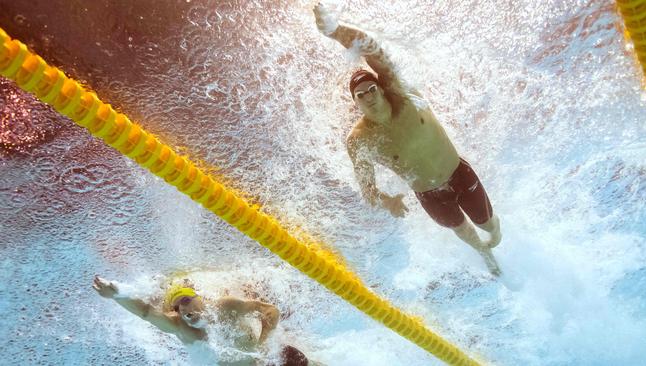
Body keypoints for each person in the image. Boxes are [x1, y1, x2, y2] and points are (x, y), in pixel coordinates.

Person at [313, 4, 502, 275]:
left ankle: (493, 240)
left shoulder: (401, 94)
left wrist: (334, 31)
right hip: (429, 196)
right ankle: (484, 254)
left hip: (458, 173)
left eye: (371, 88)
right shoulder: (359, 140)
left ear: (380, 87)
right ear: (355, 103)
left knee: (489, 227)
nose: (368, 96)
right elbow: (368, 191)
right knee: (462, 231)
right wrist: (386, 201)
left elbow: (371, 49)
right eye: (361, 95)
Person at [92, 275, 311, 366]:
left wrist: (264, 341)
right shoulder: (180, 327)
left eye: (186, 300)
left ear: (200, 298)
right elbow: (147, 312)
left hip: (261, 362)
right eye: (176, 307)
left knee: (297, 358)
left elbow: (270, 310)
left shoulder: (225, 307)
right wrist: (118, 294)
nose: (183, 308)